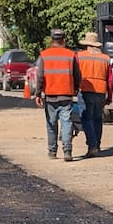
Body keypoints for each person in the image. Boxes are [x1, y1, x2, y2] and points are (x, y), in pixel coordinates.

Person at [34, 29, 82, 161]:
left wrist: (38, 93)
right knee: (67, 122)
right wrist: (76, 88)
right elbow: (77, 75)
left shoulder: (44, 55)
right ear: (64, 40)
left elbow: (39, 76)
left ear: (51, 40)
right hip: (66, 94)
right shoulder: (71, 55)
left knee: (51, 123)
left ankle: (52, 152)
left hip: (50, 95)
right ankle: (67, 151)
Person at [77, 31, 112, 158]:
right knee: (97, 119)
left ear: (87, 45)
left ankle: (92, 146)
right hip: (101, 91)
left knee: (86, 118)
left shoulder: (79, 56)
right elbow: (110, 79)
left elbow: (76, 74)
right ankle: (97, 145)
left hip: (85, 90)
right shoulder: (106, 58)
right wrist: (110, 95)